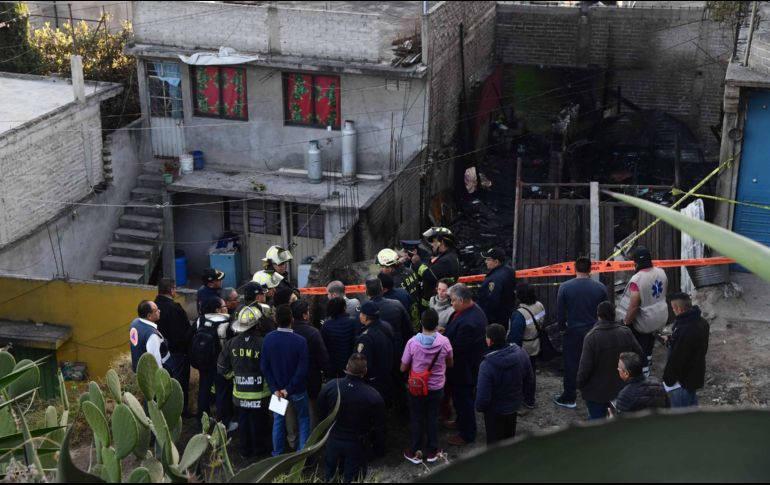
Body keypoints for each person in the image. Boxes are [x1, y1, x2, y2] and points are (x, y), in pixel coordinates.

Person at [318, 354, 386, 483]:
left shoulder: (331, 386)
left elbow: (321, 410)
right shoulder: (373, 396)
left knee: (329, 475)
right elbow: (380, 426)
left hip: (333, 438)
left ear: (346, 367)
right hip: (357, 443)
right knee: (352, 478)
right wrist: (378, 448)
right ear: (365, 371)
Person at [217, 304, 271, 458]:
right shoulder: (264, 343)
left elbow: (221, 367)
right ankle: (259, 452)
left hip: (239, 396)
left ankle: (244, 451)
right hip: (260, 396)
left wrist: (233, 376)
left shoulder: (231, 343)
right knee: (259, 424)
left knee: (243, 423)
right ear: (258, 324)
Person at [400, 309, 454, 464]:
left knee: (417, 419)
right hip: (436, 387)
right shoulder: (444, 342)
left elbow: (403, 368)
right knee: (432, 417)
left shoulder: (412, 342)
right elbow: (450, 363)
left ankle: (415, 452)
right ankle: (433, 451)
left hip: (416, 388)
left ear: (421, 323)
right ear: (437, 324)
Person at [554, 256, 608, 409]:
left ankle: (569, 397)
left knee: (571, 364)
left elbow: (560, 313)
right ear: (590, 269)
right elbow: (606, 311)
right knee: (595, 363)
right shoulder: (600, 288)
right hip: (595, 331)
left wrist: (562, 328)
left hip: (574, 332)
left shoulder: (565, 287)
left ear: (574, 268)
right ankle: (594, 394)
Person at [576, 301, 643, 420]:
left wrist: (580, 384)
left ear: (598, 315)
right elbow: (639, 355)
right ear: (614, 314)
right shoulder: (626, 332)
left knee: (597, 424)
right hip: (621, 389)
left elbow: (584, 368)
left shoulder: (592, 338)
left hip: (596, 393)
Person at [261, 304, 310, 455]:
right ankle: (301, 454)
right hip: (297, 390)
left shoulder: (268, 339)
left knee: (278, 421)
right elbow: (302, 368)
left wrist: (275, 388)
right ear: (292, 319)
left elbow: (264, 367)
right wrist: (288, 389)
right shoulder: (300, 341)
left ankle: (277, 454)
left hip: (277, 392)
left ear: (275, 319)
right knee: (303, 419)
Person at [475, 324, 534, 445]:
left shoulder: (487, 365)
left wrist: (480, 408)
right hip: (513, 406)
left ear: (490, 341)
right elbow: (530, 379)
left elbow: (482, 398)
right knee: (509, 440)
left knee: (494, 445)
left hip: (494, 412)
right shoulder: (521, 353)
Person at [443, 283, 487, 446]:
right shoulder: (469, 311)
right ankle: (460, 421)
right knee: (459, 398)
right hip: (464, 366)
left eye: (453, 301)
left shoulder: (470, 321)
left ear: (462, 300)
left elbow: (458, 348)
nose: (451, 304)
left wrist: (443, 343)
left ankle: (467, 433)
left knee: (464, 400)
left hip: (464, 368)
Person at [617, 246, 669, 376]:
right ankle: (649, 366)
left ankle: (644, 376)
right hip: (658, 317)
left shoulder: (637, 280)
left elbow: (634, 305)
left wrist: (626, 323)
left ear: (635, 262)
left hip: (643, 323)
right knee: (649, 345)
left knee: (640, 351)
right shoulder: (661, 272)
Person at [192, 298, 234, 429]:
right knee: (222, 392)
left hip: (203, 362)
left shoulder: (201, 320)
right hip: (220, 363)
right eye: (223, 305)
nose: (226, 307)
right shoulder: (227, 321)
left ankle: (202, 420)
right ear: (217, 310)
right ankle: (224, 423)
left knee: (204, 390)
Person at [154, 278, 193, 416]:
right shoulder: (174, 309)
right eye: (175, 288)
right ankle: (180, 411)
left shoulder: (154, 306)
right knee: (179, 384)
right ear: (171, 290)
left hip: (159, 354)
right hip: (176, 353)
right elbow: (181, 334)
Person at [663, 293, 710, 408]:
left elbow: (677, 359)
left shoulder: (684, 329)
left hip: (681, 382)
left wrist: (668, 380)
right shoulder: (702, 322)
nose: (673, 311)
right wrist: (671, 340)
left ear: (679, 309)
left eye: (673, 309)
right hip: (695, 373)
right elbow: (695, 347)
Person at [290, 299, 331, 427]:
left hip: (288, 380)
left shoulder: (286, 332)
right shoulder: (313, 333)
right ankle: (311, 440)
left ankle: (292, 440)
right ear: (305, 315)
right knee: (311, 411)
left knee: (290, 413)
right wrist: (327, 372)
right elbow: (323, 357)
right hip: (311, 379)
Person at [507, 282, 544, 406]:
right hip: (535, 344)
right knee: (531, 371)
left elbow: (515, 337)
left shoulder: (520, 314)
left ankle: (526, 399)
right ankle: (530, 398)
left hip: (523, 348)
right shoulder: (539, 305)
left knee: (522, 375)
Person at [355, 302, 395, 410]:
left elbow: (362, 365)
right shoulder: (387, 326)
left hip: (372, 383)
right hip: (387, 377)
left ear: (365, 317)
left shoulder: (365, 338)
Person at [412, 227, 460, 311]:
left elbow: (429, 275)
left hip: (435, 308)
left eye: (433, 241)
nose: (431, 244)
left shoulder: (446, 260)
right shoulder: (448, 256)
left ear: (441, 242)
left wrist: (417, 263)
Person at [377, 248, 421, 328]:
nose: (381, 270)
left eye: (382, 267)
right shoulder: (410, 271)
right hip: (416, 311)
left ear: (390, 267)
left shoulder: (393, 282)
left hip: (405, 319)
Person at [477, 247, 517, 329]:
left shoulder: (495, 279)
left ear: (496, 262)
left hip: (494, 320)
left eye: (488, 259)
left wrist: (484, 317)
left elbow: (491, 300)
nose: (485, 262)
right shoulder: (509, 270)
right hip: (506, 314)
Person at [321, 297, 360, 378]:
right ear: (344, 307)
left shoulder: (327, 325)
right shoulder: (354, 322)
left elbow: (324, 346)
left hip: (333, 364)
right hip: (350, 364)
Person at [129, 300, 170, 371]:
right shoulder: (152, 335)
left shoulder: (134, 323)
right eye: (156, 310)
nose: (159, 311)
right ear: (149, 316)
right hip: (150, 372)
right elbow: (155, 361)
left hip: (138, 370)